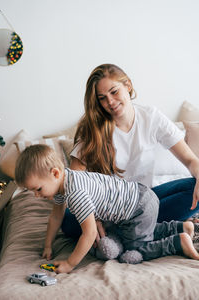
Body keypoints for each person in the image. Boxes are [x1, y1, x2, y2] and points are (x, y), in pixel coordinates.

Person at [63, 63, 199, 241]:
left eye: (114, 91)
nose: (110, 102)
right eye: (102, 98)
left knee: (194, 188)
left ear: (127, 85)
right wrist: (92, 217)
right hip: (106, 209)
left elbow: (190, 160)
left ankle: (127, 232)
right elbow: (74, 180)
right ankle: (146, 230)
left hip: (145, 203)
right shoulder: (92, 129)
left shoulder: (151, 117)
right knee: (68, 221)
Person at [15, 144, 199, 274]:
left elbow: (89, 233)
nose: (37, 196)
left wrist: (70, 264)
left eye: (38, 189)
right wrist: (47, 245)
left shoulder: (75, 193)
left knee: (132, 252)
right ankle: (180, 228)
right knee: (139, 233)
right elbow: (56, 217)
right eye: (32, 191)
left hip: (138, 209)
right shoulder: (66, 181)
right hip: (139, 198)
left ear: (55, 173)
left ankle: (178, 242)